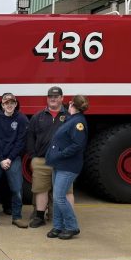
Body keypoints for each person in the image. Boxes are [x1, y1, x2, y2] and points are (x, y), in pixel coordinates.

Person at [17, 85, 70, 228]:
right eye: (50, 97)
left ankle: (62, 217)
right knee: (41, 189)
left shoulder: (69, 117)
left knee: (63, 190)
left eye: (56, 97)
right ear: (47, 99)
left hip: (62, 160)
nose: (53, 99)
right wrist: (33, 156)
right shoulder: (38, 116)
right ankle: (39, 216)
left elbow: (76, 139)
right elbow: (30, 137)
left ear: (62, 98)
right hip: (42, 160)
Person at [45, 95, 89, 240]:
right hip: (59, 164)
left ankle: (71, 226)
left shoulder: (78, 123)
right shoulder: (71, 119)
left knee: (59, 197)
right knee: (58, 197)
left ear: (72, 104)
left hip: (68, 166)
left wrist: (60, 154)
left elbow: (78, 145)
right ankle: (58, 226)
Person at [0, 92, 29, 227]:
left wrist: (9, 159)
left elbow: (21, 142)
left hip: (13, 159)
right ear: (2, 105)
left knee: (16, 189)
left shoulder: (22, 119)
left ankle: (17, 217)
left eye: (12, 103)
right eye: (6, 103)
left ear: (15, 104)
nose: (9, 105)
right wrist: (1, 159)